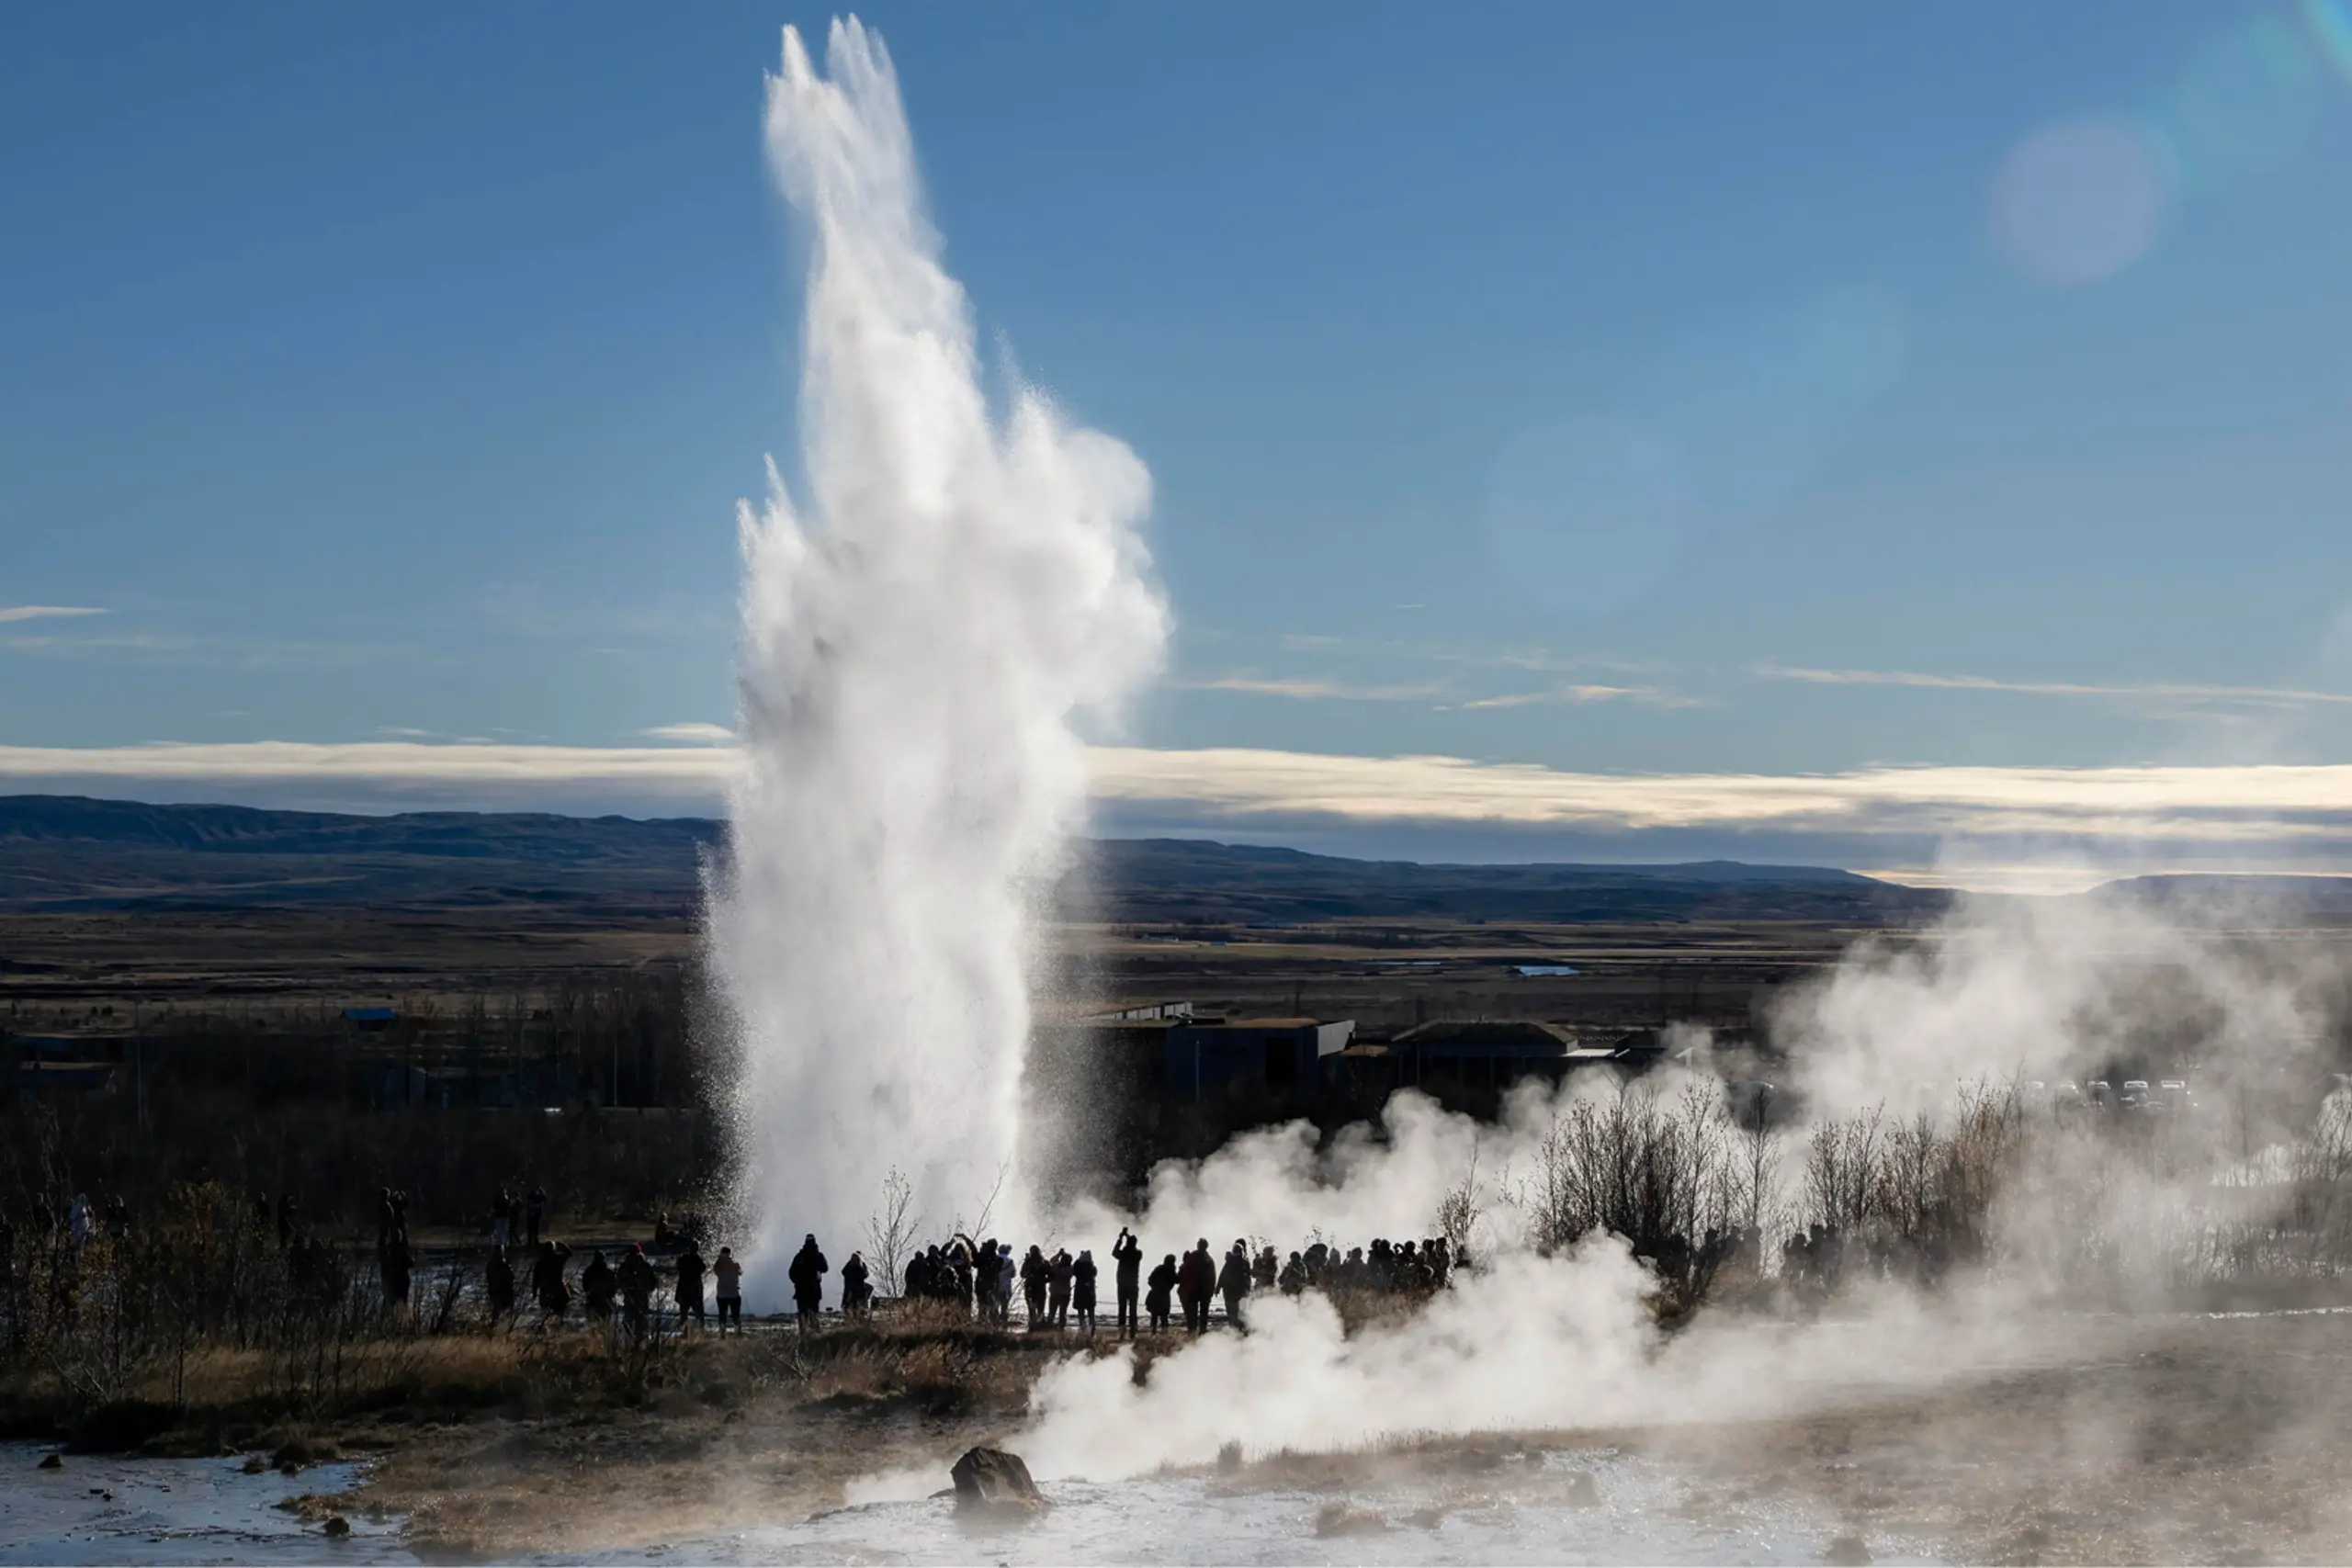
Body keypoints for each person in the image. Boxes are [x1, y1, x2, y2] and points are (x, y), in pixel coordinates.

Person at [788, 1233, 829, 1335]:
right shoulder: (802, 1256)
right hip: (805, 1290)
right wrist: (797, 1282)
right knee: (807, 1315)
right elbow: (792, 1272)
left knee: (809, 1314)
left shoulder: (816, 1256)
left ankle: (812, 1336)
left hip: (810, 1290)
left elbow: (825, 1268)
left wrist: (797, 1282)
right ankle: (809, 1336)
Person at [618, 1243, 657, 1335]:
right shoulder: (645, 1265)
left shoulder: (625, 1265)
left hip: (630, 1295)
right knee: (641, 1318)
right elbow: (653, 1280)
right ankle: (639, 1339)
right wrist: (649, 1289)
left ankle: (632, 1338)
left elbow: (619, 1280)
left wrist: (624, 1288)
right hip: (642, 1295)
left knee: (629, 1319)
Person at [1112, 1227, 1143, 1337]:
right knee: (1133, 1309)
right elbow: (1132, 1244)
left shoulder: (1123, 1254)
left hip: (1122, 1284)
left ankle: (1121, 1332)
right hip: (1133, 1284)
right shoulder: (1138, 1254)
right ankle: (1133, 1331)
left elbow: (1114, 1252)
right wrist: (1127, 1236)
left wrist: (1121, 1238)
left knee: (1122, 1308)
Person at [532, 1240, 573, 1318]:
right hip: (558, 1292)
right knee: (560, 1316)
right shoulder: (558, 1259)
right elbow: (569, 1253)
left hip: (545, 1293)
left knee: (546, 1317)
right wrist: (561, 1245)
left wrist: (534, 1293)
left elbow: (535, 1281)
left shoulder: (539, 1263)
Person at [1217, 1239, 1251, 1331]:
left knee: (1232, 1314)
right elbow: (1248, 1278)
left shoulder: (1229, 1262)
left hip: (1230, 1293)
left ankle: (1235, 1330)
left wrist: (1217, 1288)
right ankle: (1242, 1330)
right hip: (1241, 1292)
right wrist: (1248, 1290)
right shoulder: (1245, 1263)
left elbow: (1222, 1276)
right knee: (1241, 1313)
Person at [674, 1241, 707, 1330]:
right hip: (695, 1289)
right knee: (699, 1314)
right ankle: (701, 1330)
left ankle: (683, 1331)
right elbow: (703, 1268)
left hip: (684, 1289)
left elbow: (678, 1267)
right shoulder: (697, 1259)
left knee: (683, 1313)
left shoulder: (683, 1259)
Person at [712, 1245, 744, 1334]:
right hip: (734, 1293)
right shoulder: (735, 1264)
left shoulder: (718, 1265)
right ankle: (738, 1333)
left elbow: (716, 1270)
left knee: (722, 1315)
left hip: (722, 1294)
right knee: (735, 1315)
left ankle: (722, 1334)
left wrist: (721, 1259)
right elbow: (741, 1272)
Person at [1146, 1253, 1177, 1333]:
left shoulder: (1159, 1269)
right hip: (1164, 1294)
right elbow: (1176, 1280)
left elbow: (1150, 1280)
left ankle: (1154, 1331)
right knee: (1164, 1315)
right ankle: (1163, 1330)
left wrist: (1154, 1287)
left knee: (1155, 1314)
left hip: (1156, 1293)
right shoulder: (1171, 1271)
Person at [581, 1249, 615, 1322]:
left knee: (593, 1319)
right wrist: (611, 1295)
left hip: (593, 1297)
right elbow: (614, 1285)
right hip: (605, 1298)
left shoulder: (589, 1271)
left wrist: (588, 1292)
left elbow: (585, 1285)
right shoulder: (608, 1271)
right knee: (605, 1318)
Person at [1020, 1245, 1049, 1329]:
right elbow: (1052, 1276)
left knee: (1031, 1309)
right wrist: (1044, 1280)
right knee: (1041, 1309)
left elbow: (1022, 1274)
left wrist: (1028, 1275)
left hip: (1030, 1288)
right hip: (1041, 1288)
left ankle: (1032, 1326)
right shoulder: (1044, 1262)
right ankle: (1040, 1326)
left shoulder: (1028, 1262)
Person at [486, 1246, 517, 1320]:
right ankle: (510, 1321)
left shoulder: (490, 1265)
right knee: (509, 1306)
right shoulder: (504, 1265)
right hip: (504, 1291)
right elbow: (512, 1278)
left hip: (493, 1291)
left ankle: (493, 1324)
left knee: (496, 1308)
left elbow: (488, 1277)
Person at [1072, 1248, 1098, 1336]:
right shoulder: (1092, 1268)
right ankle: (1092, 1330)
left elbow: (1074, 1270)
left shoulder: (1078, 1266)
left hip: (1080, 1292)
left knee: (1081, 1313)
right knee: (1091, 1313)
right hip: (1090, 1293)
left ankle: (1083, 1329)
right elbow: (1094, 1273)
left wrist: (1079, 1258)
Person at [1047, 1247, 1074, 1330]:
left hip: (1055, 1292)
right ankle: (1061, 1328)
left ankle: (1049, 1326)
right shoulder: (1070, 1269)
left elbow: (1051, 1261)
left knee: (1052, 1312)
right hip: (1065, 1293)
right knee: (1063, 1313)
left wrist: (1059, 1254)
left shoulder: (1056, 1267)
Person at [842, 1250, 873, 1321]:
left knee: (850, 1307)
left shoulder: (848, 1266)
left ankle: (852, 1320)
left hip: (849, 1290)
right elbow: (865, 1275)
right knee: (859, 1307)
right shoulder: (860, 1267)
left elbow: (843, 1272)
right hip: (859, 1291)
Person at [526, 1185, 548, 1249]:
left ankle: (534, 1241)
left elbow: (545, 1197)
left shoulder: (538, 1197)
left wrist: (541, 1190)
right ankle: (531, 1242)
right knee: (531, 1229)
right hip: (532, 1214)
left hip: (535, 1215)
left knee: (535, 1229)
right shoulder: (531, 1196)